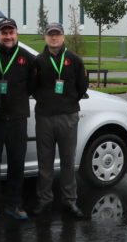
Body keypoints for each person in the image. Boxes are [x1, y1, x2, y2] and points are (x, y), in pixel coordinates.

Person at [31, 22, 88, 218]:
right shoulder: (38, 61)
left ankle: (69, 201)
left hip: (68, 117)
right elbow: (32, 87)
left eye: (57, 34)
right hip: (45, 117)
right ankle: (44, 200)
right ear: (45, 37)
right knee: (44, 162)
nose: (53, 38)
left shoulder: (74, 60)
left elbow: (82, 87)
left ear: (63, 37)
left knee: (67, 161)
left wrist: (68, 103)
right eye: (50, 34)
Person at [0, 18, 35, 221]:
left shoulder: (27, 58)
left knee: (16, 163)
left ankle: (14, 204)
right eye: (4, 33)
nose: (8, 36)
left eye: (11, 32)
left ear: (16, 34)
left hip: (18, 119)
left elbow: (32, 85)